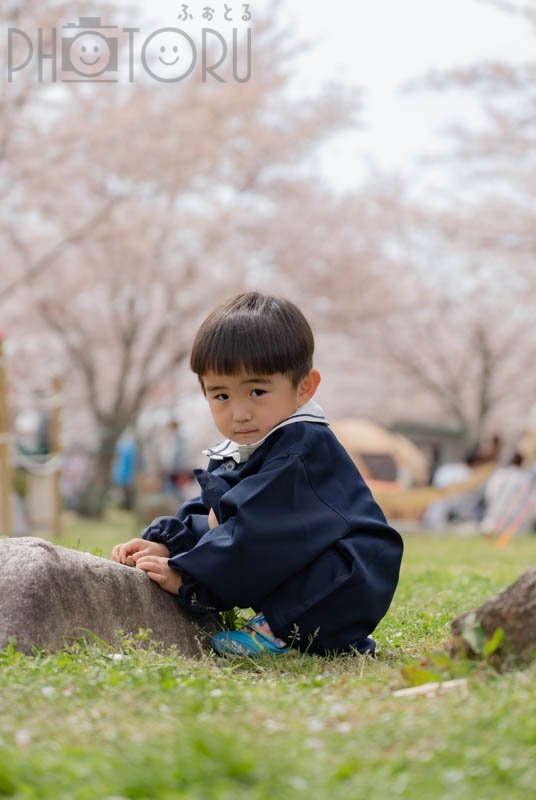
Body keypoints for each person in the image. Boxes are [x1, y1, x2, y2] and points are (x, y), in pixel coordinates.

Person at [112, 292, 403, 657]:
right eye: (221, 396)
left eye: (257, 390)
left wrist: (189, 578)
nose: (240, 413)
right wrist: (172, 543)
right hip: (296, 556)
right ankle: (284, 624)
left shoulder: (301, 448)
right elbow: (218, 510)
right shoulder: (254, 441)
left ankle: (283, 632)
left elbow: (256, 530)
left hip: (348, 574)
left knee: (317, 572)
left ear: (304, 387)